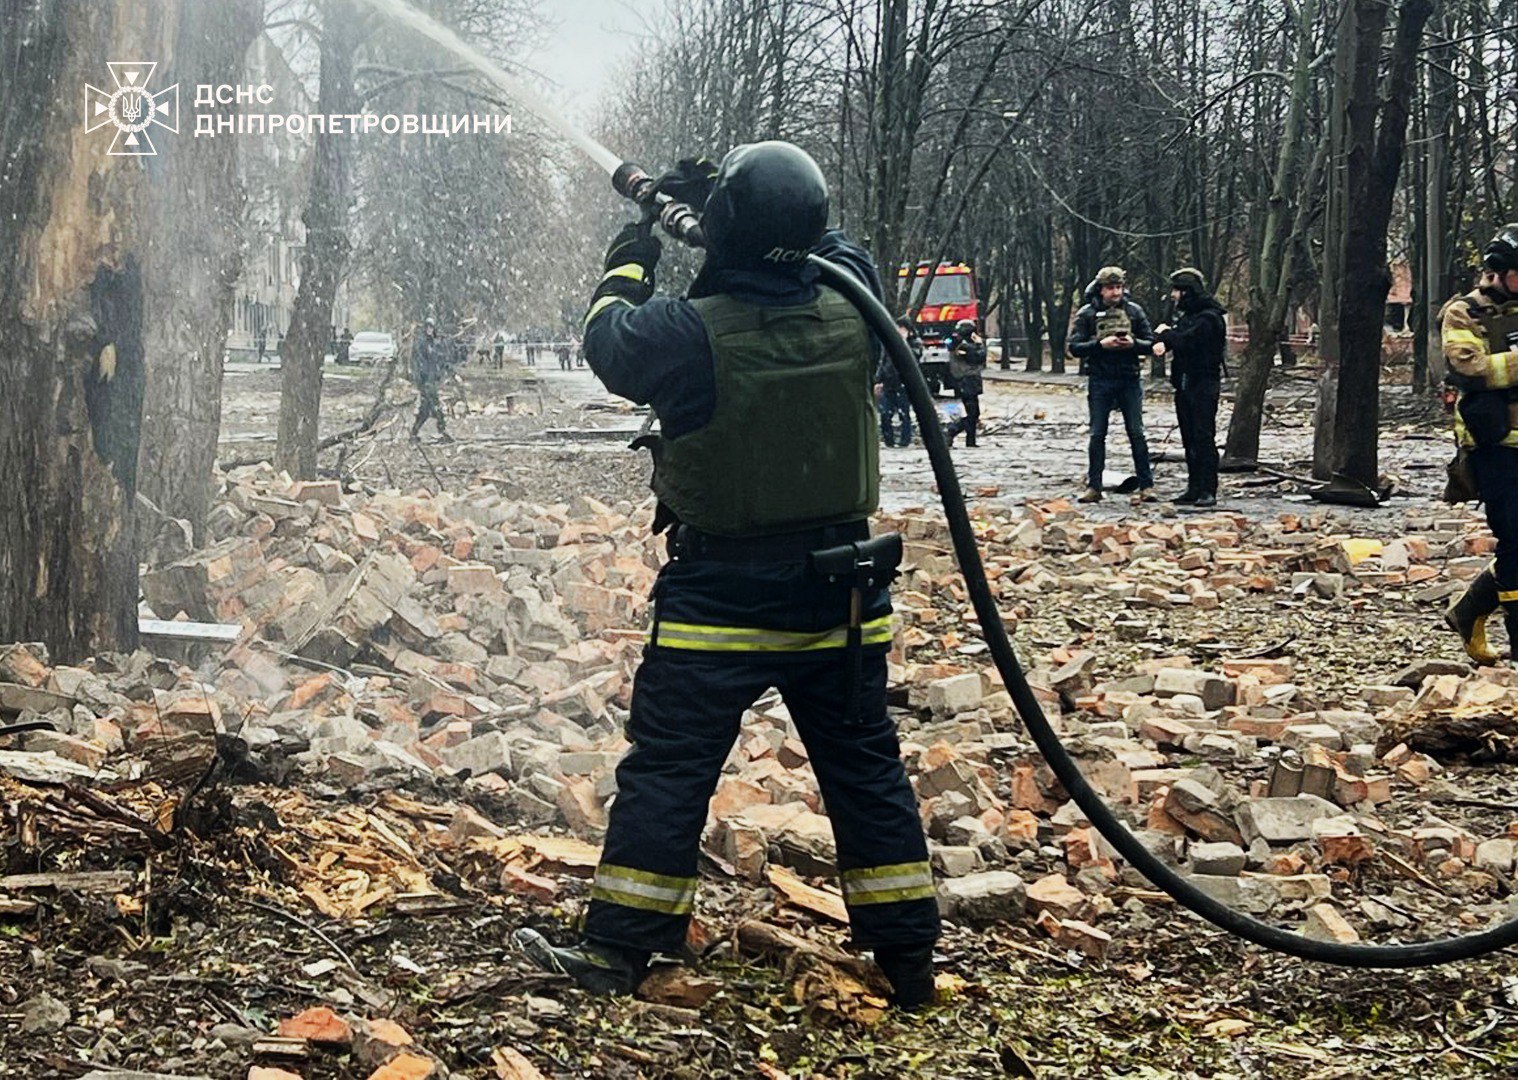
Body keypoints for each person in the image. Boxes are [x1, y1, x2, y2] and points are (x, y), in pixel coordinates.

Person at [514, 142, 940, 1010]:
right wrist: (725, 206)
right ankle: (909, 960)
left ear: (726, 236)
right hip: (844, 593)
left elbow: (605, 335)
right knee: (864, 767)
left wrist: (641, 241)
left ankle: (621, 949)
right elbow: (828, 242)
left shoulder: (685, 336)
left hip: (723, 598)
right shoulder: (855, 304)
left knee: (670, 770)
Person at [1442, 224, 1518, 664]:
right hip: (1496, 448)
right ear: (1499, 272)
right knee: (1516, 544)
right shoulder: (1464, 313)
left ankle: (1470, 609)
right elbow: (1468, 368)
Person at [1068, 266, 1154, 503]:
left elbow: (1151, 343)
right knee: (1097, 434)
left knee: (1136, 432)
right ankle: (1094, 486)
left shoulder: (1134, 312)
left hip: (1129, 377)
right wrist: (1099, 345)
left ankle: (1147, 486)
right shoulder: (1087, 313)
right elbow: (1074, 347)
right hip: (1100, 379)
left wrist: (1133, 343)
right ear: (1101, 289)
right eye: (1110, 288)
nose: (1115, 292)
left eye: (1118, 287)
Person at [1152, 268, 1226, 507]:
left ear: (1187, 291)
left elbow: (1186, 341)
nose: (1173, 295)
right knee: (1189, 438)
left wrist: (1167, 334)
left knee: (1204, 436)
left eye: (1176, 290)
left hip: (1203, 384)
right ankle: (1194, 487)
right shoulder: (1189, 317)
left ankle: (1208, 489)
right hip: (1185, 384)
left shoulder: (1209, 318)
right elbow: (1177, 340)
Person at [876, 317, 919, 447]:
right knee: (885, 413)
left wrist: (904, 343)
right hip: (889, 383)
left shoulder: (914, 343)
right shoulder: (889, 344)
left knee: (904, 413)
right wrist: (878, 380)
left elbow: (915, 357)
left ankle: (905, 440)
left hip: (904, 384)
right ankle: (888, 440)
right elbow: (883, 362)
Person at [944, 318, 987, 448]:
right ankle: (952, 430)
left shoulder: (956, 342)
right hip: (967, 380)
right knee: (973, 413)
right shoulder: (962, 345)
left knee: (972, 413)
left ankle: (970, 440)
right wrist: (980, 344)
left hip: (966, 380)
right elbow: (978, 357)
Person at [409, 317, 453, 442]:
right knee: (435, 407)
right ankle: (442, 431)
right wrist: (420, 380)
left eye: (431, 327)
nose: (429, 330)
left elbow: (440, 360)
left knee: (425, 410)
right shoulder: (421, 343)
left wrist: (449, 372)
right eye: (427, 327)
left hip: (432, 380)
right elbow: (418, 363)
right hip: (425, 382)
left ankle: (414, 433)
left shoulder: (434, 344)